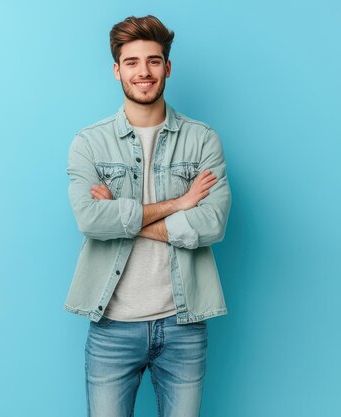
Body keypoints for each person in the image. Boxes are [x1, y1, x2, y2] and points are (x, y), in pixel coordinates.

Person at [64, 15, 231, 417]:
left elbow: (213, 223)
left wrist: (122, 218)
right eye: (133, 62)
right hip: (112, 329)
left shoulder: (202, 138)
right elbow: (90, 220)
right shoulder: (89, 142)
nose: (144, 72)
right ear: (117, 69)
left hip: (184, 325)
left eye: (154, 61)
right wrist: (178, 204)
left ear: (167, 68)